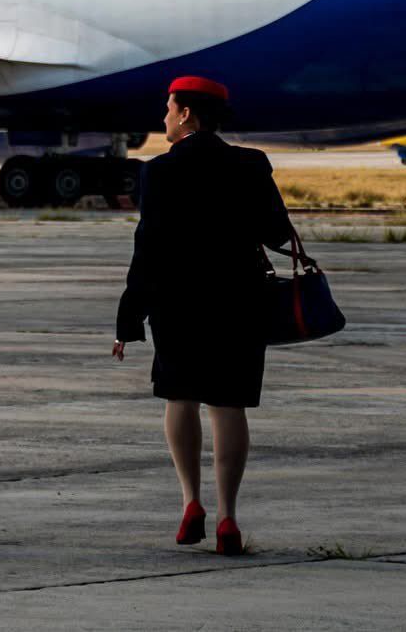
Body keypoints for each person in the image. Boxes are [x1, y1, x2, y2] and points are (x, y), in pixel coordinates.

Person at [112, 75, 296, 556]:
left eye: (169, 108)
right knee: (228, 405)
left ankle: (191, 501)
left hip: (177, 303)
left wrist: (128, 319)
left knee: (180, 397)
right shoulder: (251, 164)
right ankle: (229, 517)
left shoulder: (159, 172)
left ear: (187, 114)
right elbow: (278, 232)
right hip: (239, 300)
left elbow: (146, 249)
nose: (165, 117)